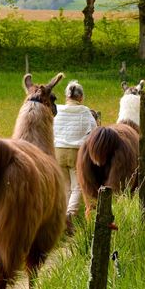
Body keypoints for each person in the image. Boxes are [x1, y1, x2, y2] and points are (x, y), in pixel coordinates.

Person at [53, 80, 98, 234]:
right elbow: (94, 132)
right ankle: (69, 216)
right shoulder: (85, 111)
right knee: (78, 186)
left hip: (58, 151)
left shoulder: (57, 110)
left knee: (65, 187)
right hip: (76, 152)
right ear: (81, 97)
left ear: (67, 96)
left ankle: (62, 217)